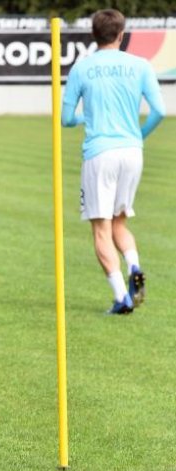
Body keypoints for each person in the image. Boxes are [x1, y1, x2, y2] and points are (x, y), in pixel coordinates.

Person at [62, 8, 165, 314]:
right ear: (122, 35)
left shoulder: (82, 68)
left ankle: (122, 298)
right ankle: (134, 265)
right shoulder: (140, 65)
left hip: (100, 153)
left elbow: (66, 119)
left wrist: (87, 117)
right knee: (120, 219)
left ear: (93, 35)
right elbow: (159, 111)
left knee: (101, 228)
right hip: (132, 152)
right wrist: (138, 136)